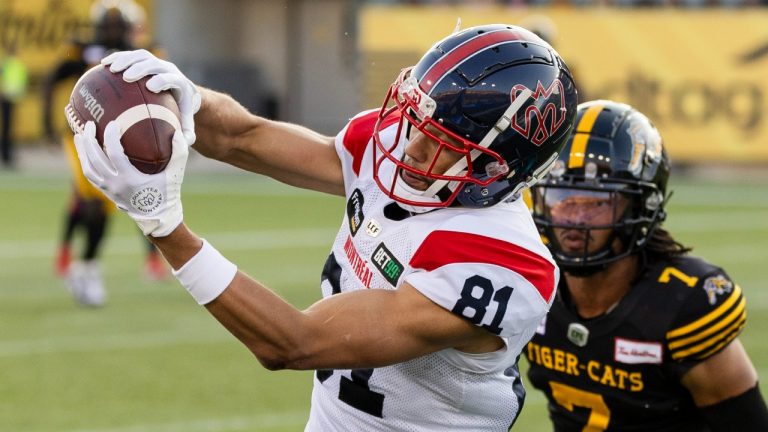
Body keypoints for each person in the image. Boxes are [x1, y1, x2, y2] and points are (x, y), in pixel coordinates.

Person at [72, 24, 578, 430]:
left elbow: (295, 343)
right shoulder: (397, 143)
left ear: (501, 165)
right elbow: (244, 137)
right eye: (416, 118)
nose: (411, 146)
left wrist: (164, 226)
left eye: (441, 140)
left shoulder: (501, 261)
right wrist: (183, 98)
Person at [524, 99, 768, 431]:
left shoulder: (682, 303)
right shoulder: (529, 282)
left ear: (642, 204)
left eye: (597, 203)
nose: (575, 220)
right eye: (561, 199)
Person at [42, 0, 167, 306]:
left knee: (119, 202)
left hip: (119, 140)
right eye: (108, 24)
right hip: (81, 136)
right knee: (95, 199)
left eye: (117, 24)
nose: (112, 31)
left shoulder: (142, 55)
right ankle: (88, 268)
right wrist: (47, 119)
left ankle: (85, 265)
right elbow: (51, 79)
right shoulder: (83, 49)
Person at [0, 39, 28, 168]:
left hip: (10, 99)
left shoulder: (8, 64)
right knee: (7, 128)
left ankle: (6, 154)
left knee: (8, 128)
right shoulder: (12, 64)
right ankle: (5, 154)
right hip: (7, 99)